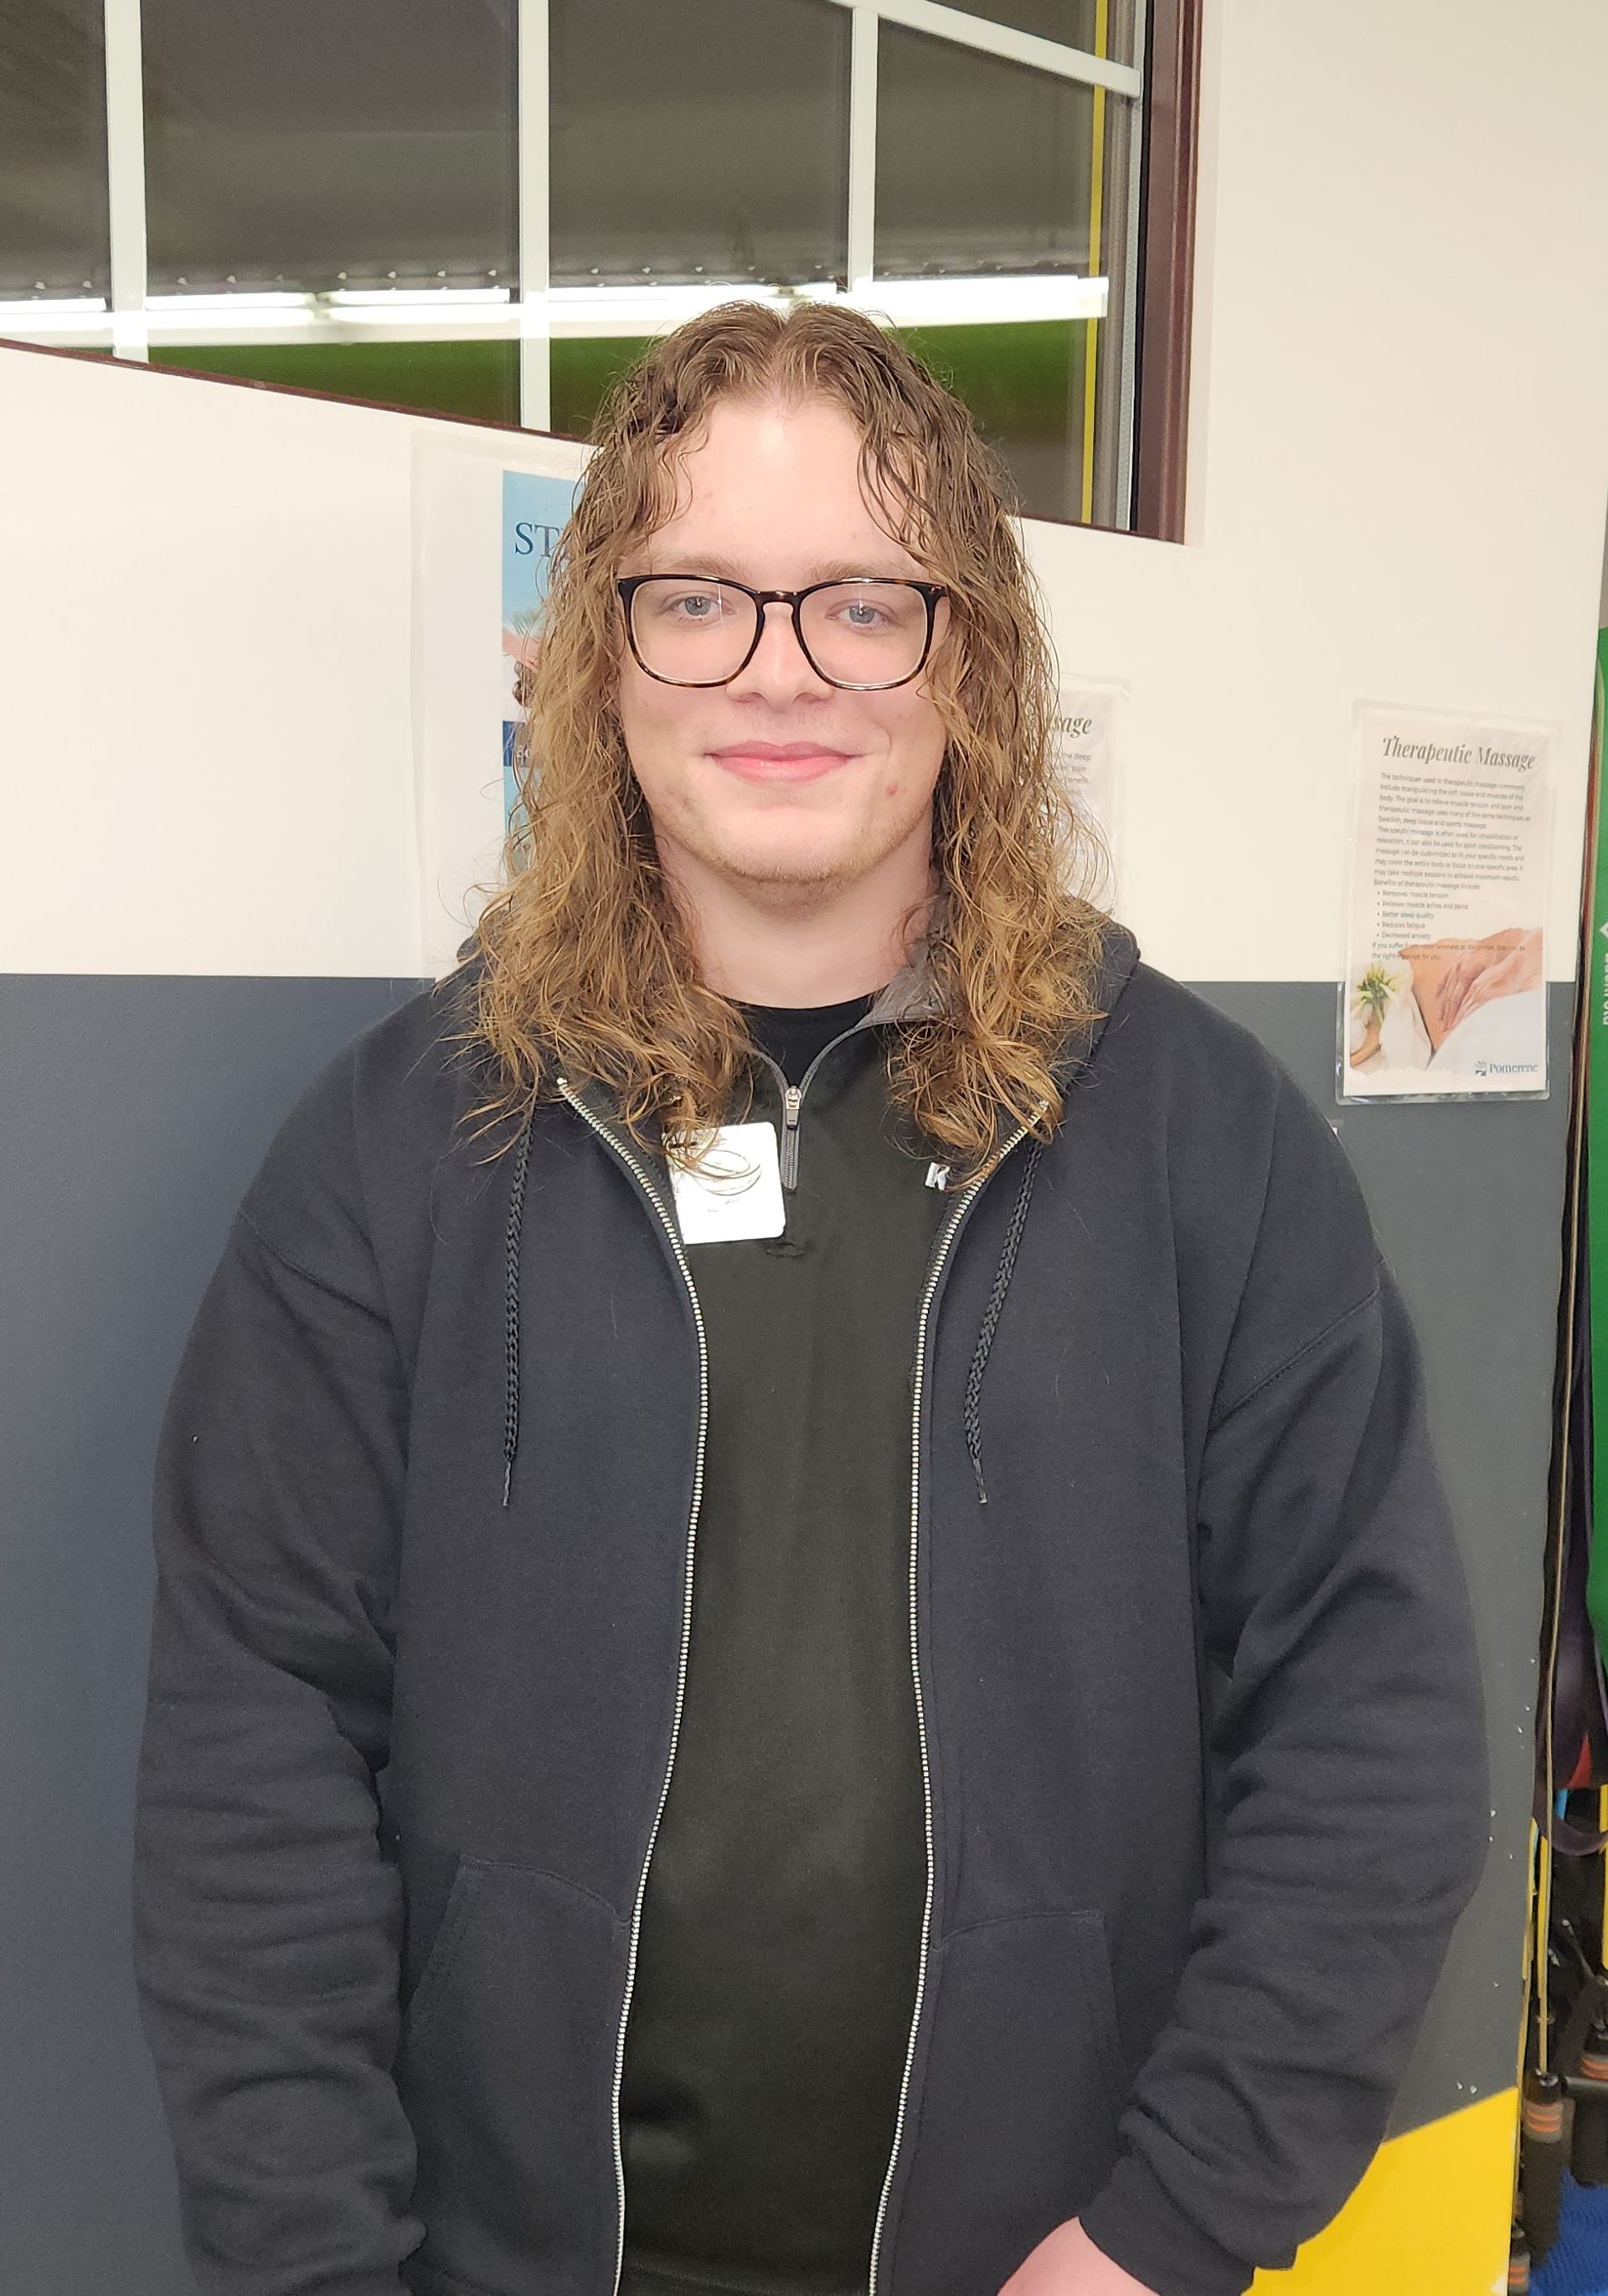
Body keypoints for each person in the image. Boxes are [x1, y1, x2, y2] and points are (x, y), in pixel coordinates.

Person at [132, 299, 1492, 2296]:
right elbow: (250, 1760)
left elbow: (1372, 1729)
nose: (781, 673)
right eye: (699, 600)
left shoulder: (1205, 1143)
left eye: (866, 603)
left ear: (976, 670)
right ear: (602, 658)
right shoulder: (400, 1156)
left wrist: (1166, 2229)